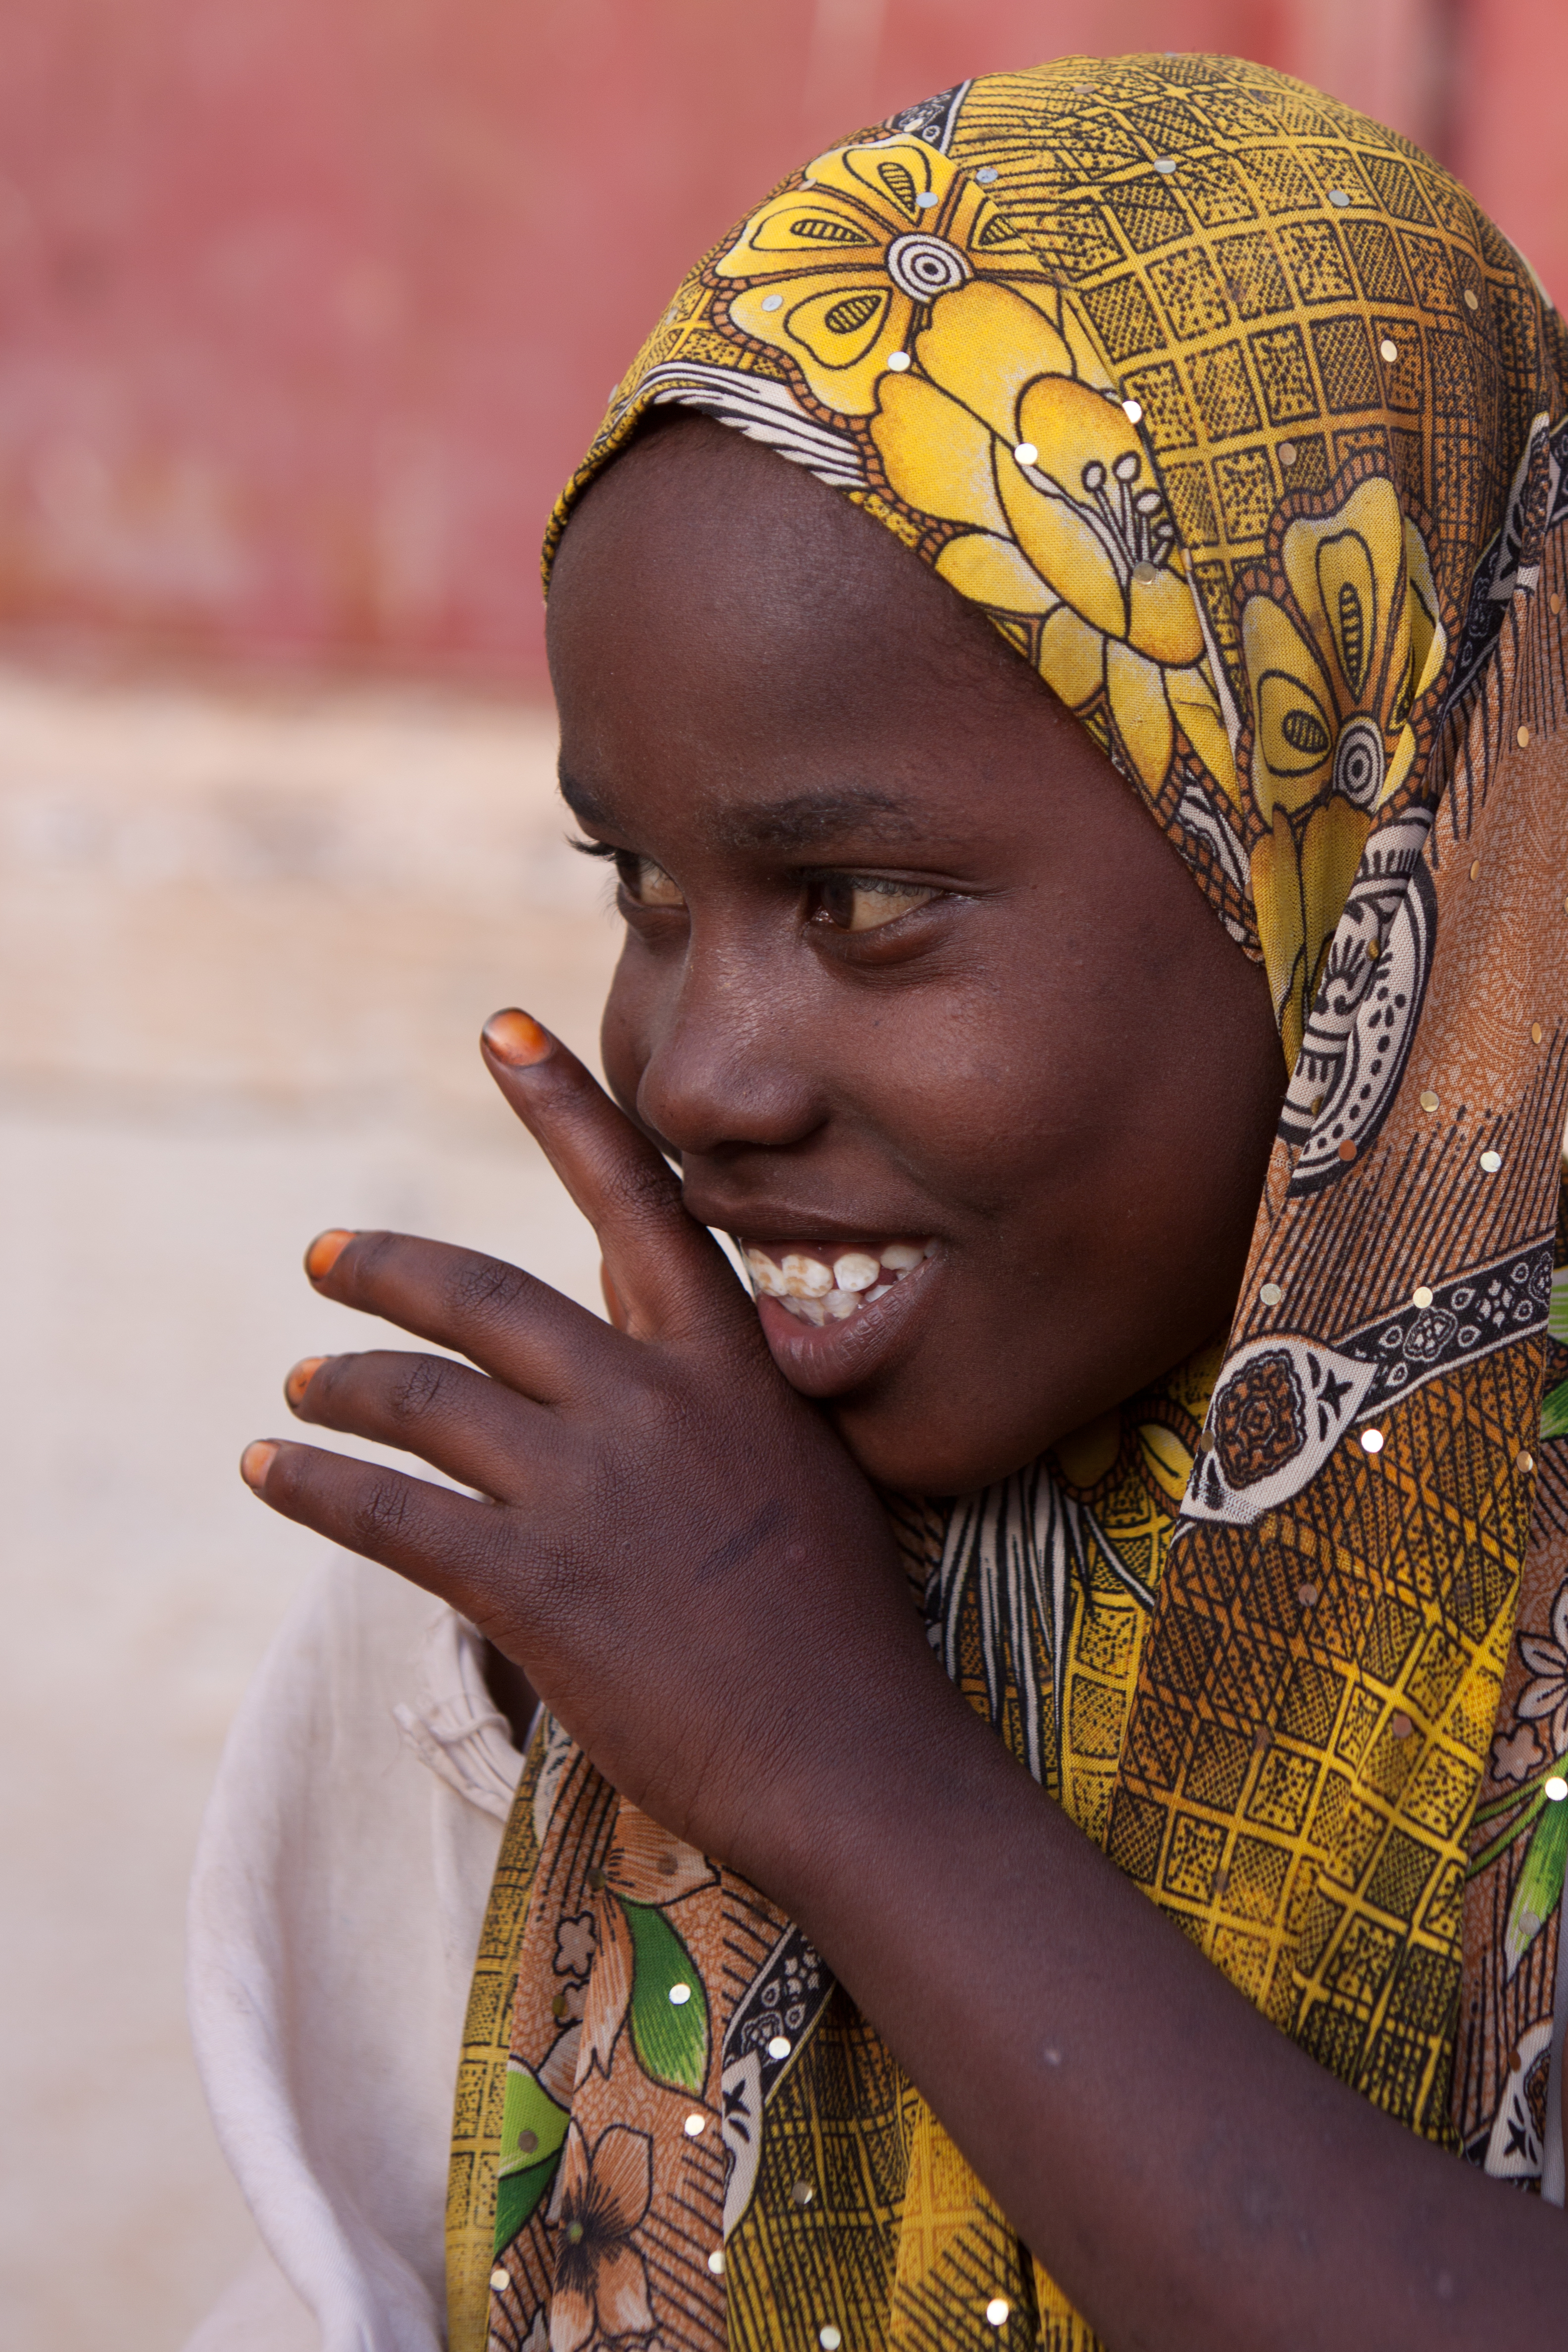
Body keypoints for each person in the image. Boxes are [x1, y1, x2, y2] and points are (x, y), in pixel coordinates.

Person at [196, 50, 1568, 2352]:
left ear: (1344, 853)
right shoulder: (547, 1606)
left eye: (863, 900)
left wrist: (832, 1758)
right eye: (640, 883)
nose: (697, 1076)